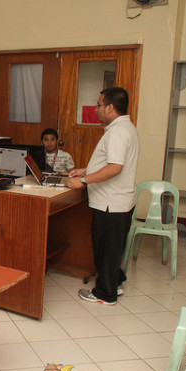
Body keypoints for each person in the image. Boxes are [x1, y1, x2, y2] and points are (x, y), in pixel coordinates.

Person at [66, 87, 139, 306]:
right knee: (112, 247)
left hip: (111, 203)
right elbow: (110, 163)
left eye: (98, 104)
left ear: (109, 107)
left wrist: (83, 181)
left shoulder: (117, 132)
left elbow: (115, 167)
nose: (96, 109)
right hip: (119, 201)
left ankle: (105, 295)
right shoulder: (125, 127)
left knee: (106, 249)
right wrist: (85, 170)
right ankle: (115, 282)